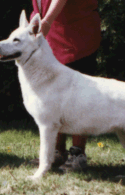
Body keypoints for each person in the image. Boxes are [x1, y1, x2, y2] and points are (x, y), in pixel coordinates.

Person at [30, 0, 101, 170]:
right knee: (52, 97)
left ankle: (78, 154)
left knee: (79, 99)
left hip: (76, 35)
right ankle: (56, 150)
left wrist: (46, 21)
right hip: (51, 36)